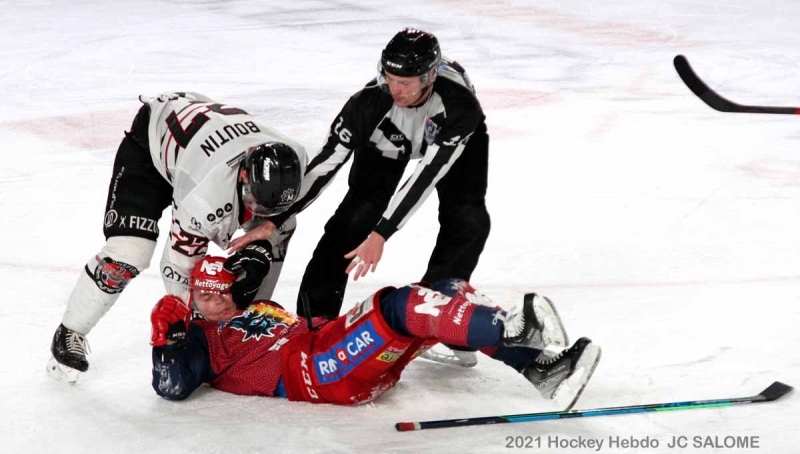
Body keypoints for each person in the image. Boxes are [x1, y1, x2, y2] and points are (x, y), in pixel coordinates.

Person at [230, 28, 491, 367]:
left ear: (428, 78)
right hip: (386, 142)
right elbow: (325, 164)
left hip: (450, 144)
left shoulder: (459, 105)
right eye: (390, 78)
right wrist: (276, 218)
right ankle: (314, 322)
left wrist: (381, 234)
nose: (396, 89)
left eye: (406, 83)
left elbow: (426, 176)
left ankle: (439, 312)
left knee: (468, 219)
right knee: (351, 220)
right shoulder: (367, 103)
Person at [47, 92, 308, 384]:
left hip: (201, 144)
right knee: (129, 253)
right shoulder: (205, 198)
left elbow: (303, 195)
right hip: (152, 146)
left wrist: (270, 229)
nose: (257, 214)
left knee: (281, 228)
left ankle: (247, 318)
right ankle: (70, 331)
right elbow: (178, 268)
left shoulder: (297, 156)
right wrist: (197, 326)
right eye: (253, 202)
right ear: (245, 175)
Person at [150, 255, 602, 410]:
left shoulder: (260, 307)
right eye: (207, 295)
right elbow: (172, 387)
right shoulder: (199, 338)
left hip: (333, 354)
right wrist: (164, 340)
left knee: (445, 291)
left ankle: (545, 372)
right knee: (398, 305)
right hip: (318, 373)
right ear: (193, 297)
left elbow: (304, 328)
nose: (219, 301)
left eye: (223, 291)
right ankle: (511, 328)